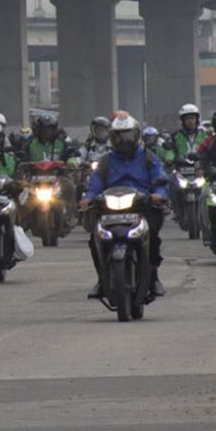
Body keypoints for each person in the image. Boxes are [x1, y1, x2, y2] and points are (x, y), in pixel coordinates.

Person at [81, 113, 169, 299]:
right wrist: (88, 198)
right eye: (119, 136)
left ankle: (153, 278)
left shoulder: (148, 158)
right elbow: (95, 185)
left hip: (142, 206)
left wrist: (158, 195)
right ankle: (102, 279)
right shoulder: (106, 161)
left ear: (137, 135)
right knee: (95, 239)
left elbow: (160, 180)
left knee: (152, 235)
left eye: (128, 136)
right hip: (111, 207)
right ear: (112, 138)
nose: (124, 141)